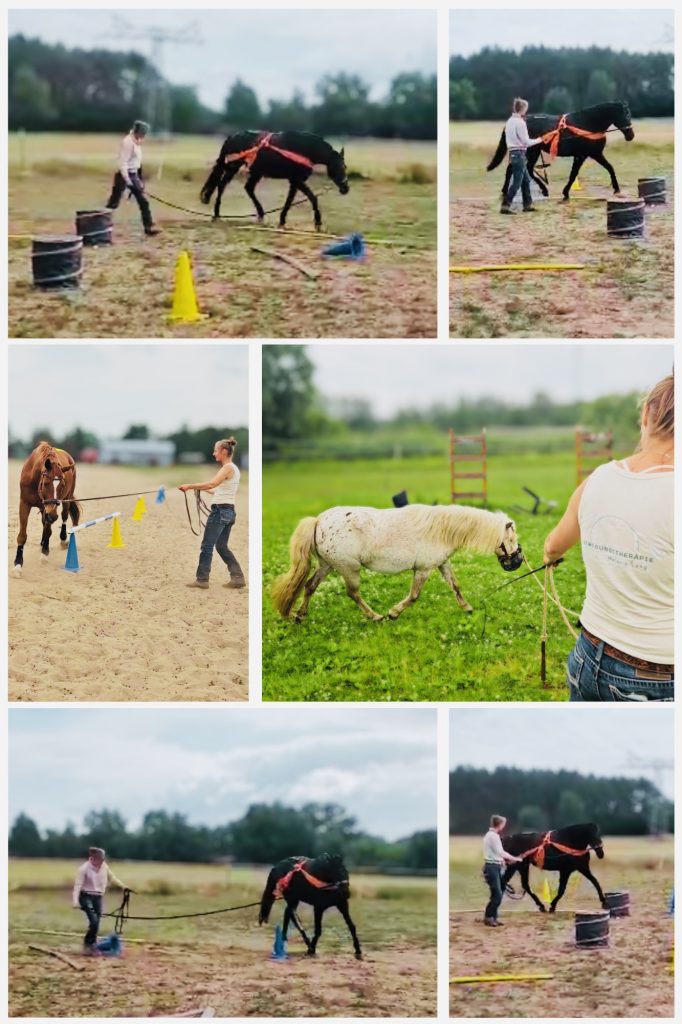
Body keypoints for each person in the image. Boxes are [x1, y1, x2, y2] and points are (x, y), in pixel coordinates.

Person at [544, 374, 674, 702]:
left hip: (587, 656)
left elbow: (553, 545)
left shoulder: (599, 478)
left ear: (645, 415)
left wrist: (551, 556)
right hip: (656, 676)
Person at [179, 437, 245, 590]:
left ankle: (202, 579)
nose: (214, 453)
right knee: (221, 546)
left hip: (220, 512)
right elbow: (215, 490)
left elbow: (211, 483)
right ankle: (237, 577)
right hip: (229, 512)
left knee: (207, 546)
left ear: (223, 451)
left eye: (216, 450)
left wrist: (189, 485)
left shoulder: (227, 468)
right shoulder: (233, 469)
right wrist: (197, 488)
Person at [105, 120, 160, 236]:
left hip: (134, 174)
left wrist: (138, 179)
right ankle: (101, 226)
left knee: (143, 201)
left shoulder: (137, 141)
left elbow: (136, 161)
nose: (145, 136)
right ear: (138, 131)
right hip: (124, 175)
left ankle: (148, 227)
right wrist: (128, 180)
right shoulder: (127, 142)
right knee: (113, 203)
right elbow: (123, 162)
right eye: (143, 133)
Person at [72, 847, 128, 953]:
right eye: (100, 860)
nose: (102, 862)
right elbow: (77, 886)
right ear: (92, 859)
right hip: (85, 896)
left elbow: (112, 877)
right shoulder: (83, 869)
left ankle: (92, 944)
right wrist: (75, 901)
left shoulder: (104, 866)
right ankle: (88, 944)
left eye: (103, 860)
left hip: (98, 897)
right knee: (93, 920)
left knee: (97, 922)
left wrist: (123, 886)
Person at [500, 98, 544, 214]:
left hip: (515, 154)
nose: (526, 111)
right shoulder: (520, 123)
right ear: (523, 109)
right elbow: (526, 142)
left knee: (526, 180)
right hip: (519, 154)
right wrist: (540, 140)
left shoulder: (509, 121)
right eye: (526, 109)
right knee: (517, 182)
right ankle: (505, 206)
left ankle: (527, 205)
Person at [482, 815, 522, 927]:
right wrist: (515, 858)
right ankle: (488, 917)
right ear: (500, 824)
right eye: (503, 823)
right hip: (492, 868)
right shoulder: (493, 836)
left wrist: (502, 861)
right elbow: (501, 852)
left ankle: (493, 917)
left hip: (495, 866)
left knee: (497, 892)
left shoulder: (491, 835)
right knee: (498, 894)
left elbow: (495, 853)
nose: (504, 826)